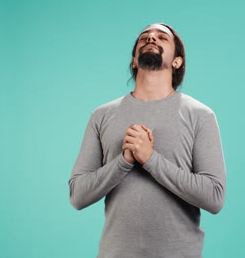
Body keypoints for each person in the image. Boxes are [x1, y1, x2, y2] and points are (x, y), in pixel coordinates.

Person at [68, 22, 227, 258]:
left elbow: (214, 197)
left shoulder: (200, 115)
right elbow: (77, 196)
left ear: (177, 61)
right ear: (134, 60)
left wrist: (150, 159)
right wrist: (124, 161)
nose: (151, 38)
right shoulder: (102, 115)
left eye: (162, 37)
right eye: (144, 37)